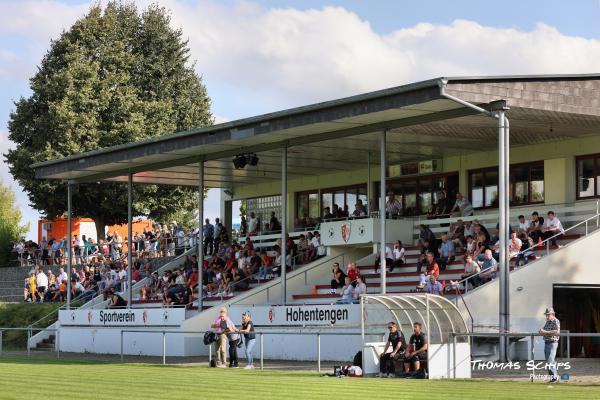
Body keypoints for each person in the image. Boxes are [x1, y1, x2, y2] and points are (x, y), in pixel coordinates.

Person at [539, 308, 560, 383]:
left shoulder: (556, 321)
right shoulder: (547, 322)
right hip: (547, 342)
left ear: (553, 314)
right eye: (546, 315)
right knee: (549, 361)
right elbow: (544, 330)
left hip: (552, 343)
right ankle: (553, 378)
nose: (547, 317)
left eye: (548, 315)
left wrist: (544, 331)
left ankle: (555, 378)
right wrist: (541, 331)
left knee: (550, 361)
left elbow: (556, 331)